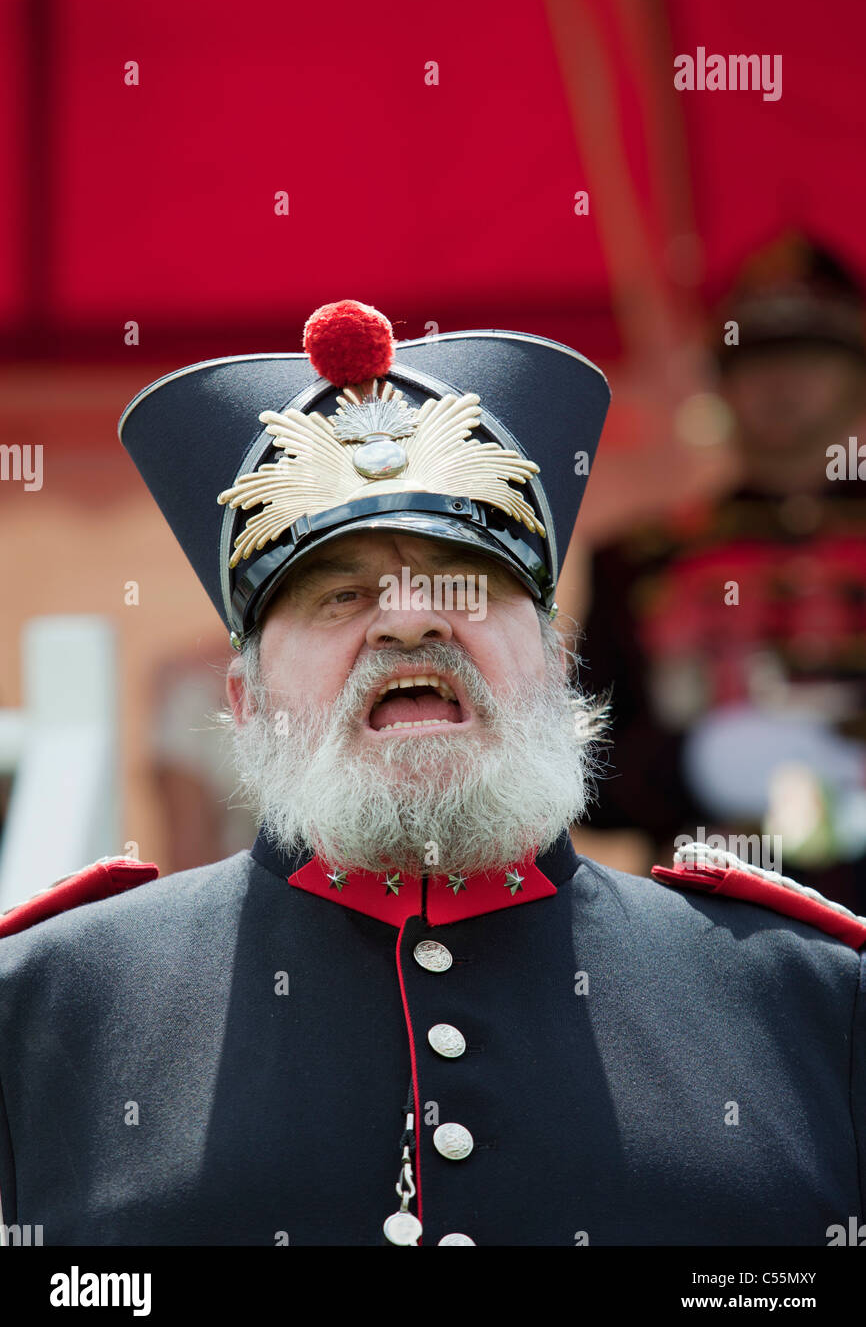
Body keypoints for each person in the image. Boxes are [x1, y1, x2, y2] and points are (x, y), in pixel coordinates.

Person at [0, 299, 864, 1247]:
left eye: (468, 580)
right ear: (244, 703)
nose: (410, 621)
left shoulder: (811, 1001)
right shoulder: (44, 1004)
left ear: (560, 669)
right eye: (339, 594)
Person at [582, 235, 866, 910]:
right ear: (721, 380)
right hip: (708, 912)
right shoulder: (640, 557)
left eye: (808, 357)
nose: (780, 384)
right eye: (756, 360)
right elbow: (585, 773)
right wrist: (697, 763)